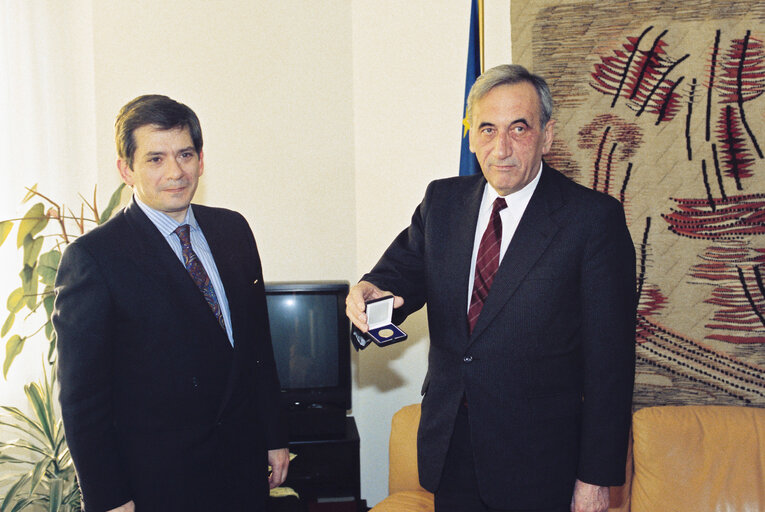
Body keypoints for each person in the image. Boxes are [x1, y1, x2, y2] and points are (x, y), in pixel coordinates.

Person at [346, 65, 636, 512]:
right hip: (452, 452)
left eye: (519, 128)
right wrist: (369, 290)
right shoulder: (441, 203)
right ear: (470, 136)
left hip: (541, 469)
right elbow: (399, 276)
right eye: (487, 129)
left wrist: (596, 479)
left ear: (547, 135)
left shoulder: (591, 220)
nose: (501, 148)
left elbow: (610, 367)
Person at [52, 95, 289, 512]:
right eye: (156, 159)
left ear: (201, 159)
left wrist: (274, 438)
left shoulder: (233, 230)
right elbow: (82, 400)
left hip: (241, 471)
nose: (176, 173)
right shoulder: (94, 258)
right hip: (158, 484)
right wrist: (110, 497)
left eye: (185, 154)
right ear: (127, 169)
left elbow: (257, 350)